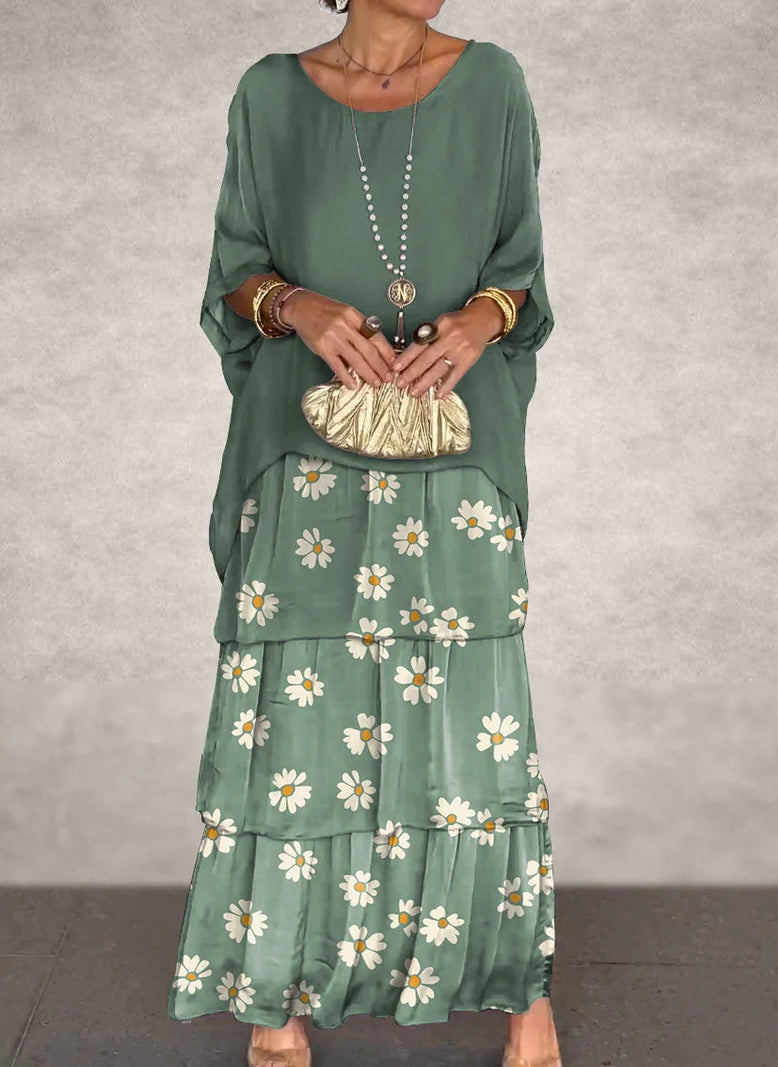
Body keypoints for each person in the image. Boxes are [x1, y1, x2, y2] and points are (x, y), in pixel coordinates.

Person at [166, 2, 561, 1065]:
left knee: (474, 711)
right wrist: (294, 305)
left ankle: (520, 992)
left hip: (454, 432)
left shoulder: (493, 82)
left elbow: (520, 267)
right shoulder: (269, 93)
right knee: (297, 714)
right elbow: (234, 271)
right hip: (302, 441)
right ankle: (275, 994)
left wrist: (480, 318)